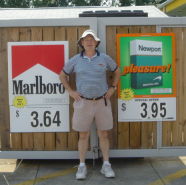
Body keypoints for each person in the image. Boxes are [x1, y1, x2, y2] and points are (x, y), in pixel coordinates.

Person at [59, 29, 120, 180]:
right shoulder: (75, 60)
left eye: (92, 39)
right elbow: (62, 75)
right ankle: (81, 166)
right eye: (86, 39)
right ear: (81, 43)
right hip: (83, 102)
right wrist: (71, 92)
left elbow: (118, 71)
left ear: (96, 42)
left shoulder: (104, 58)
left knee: (104, 134)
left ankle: (106, 165)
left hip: (102, 102)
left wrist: (113, 88)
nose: (89, 41)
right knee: (83, 135)